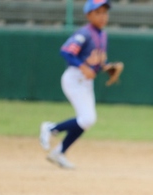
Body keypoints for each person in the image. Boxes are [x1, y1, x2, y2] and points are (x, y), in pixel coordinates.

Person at [39, 0, 123, 169]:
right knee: (87, 118)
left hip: (85, 82)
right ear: (88, 15)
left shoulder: (102, 35)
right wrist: (82, 66)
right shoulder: (84, 33)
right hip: (74, 78)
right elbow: (66, 51)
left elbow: (95, 63)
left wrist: (107, 68)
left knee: (86, 120)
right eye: (98, 12)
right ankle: (51, 128)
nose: (102, 16)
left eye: (105, 12)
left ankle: (59, 152)